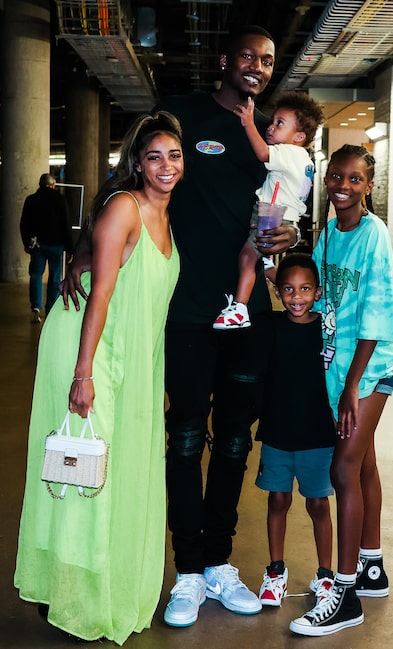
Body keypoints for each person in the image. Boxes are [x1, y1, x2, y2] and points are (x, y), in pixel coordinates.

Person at [61, 25, 298, 629]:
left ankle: (219, 561)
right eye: (247, 56)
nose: (257, 67)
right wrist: (87, 245)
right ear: (226, 60)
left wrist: (292, 236)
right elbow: (127, 178)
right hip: (187, 312)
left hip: (248, 315)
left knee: (237, 440)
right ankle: (188, 572)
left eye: (267, 61)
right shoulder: (182, 117)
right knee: (187, 437)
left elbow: (284, 206)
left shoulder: (272, 135)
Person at [14, 112, 182, 644]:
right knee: (86, 473)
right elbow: (103, 294)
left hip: (133, 357)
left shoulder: (167, 213)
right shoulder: (124, 209)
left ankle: (101, 584)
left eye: (174, 156)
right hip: (91, 351)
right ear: (136, 162)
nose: (166, 166)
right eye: (154, 156)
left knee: (114, 470)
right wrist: (82, 375)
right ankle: (72, 594)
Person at [289, 145, 393, 636]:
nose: (343, 185)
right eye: (336, 176)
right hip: (342, 362)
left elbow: (376, 320)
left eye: (355, 179)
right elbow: (326, 299)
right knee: (363, 462)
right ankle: (372, 566)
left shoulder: (374, 236)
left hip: (375, 359)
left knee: (343, 467)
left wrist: (352, 387)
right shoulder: (327, 234)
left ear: (368, 186)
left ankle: (346, 594)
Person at [256, 253, 336, 607]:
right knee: (278, 500)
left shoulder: (328, 329)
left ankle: (326, 575)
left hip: (318, 435)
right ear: (278, 292)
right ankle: (276, 571)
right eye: (288, 289)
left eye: (305, 289)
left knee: (318, 504)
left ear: (318, 292)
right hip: (277, 433)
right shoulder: (271, 327)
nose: (296, 296)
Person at [213, 91, 324, 330]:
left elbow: (263, 153)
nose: (271, 128)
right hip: (284, 215)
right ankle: (298, 293)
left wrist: (249, 123)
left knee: (246, 257)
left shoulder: (289, 152)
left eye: (280, 123)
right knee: (260, 262)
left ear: (299, 136)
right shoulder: (304, 159)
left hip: (272, 214)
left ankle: (240, 309)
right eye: (273, 121)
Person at [20, 173, 73, 322]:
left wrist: (26, 243)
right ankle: (50, 309)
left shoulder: (31, 200)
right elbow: (66, 225)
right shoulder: (60, 199)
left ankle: (36, 307)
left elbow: (24, 224)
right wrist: (70, 248)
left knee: (36, 274)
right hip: (56, 245)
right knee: (55, 276)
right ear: (53, 185)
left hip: (37, 245)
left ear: (40, 184)